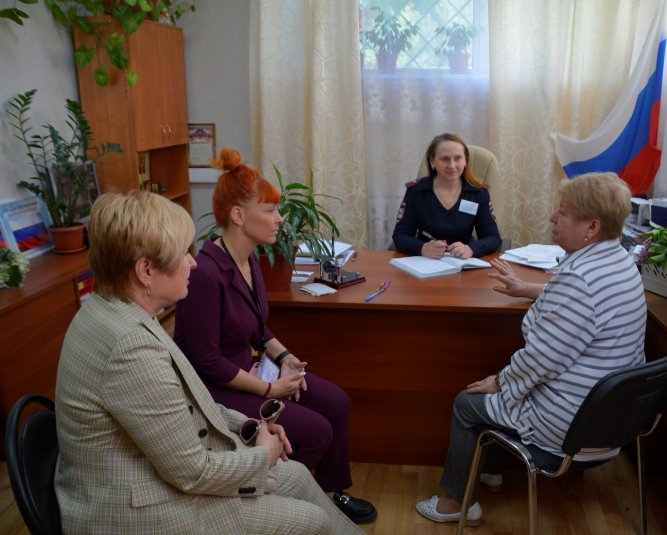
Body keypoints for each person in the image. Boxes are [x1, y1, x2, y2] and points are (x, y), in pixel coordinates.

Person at [54, 191, 362, 534]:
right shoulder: (129, 349)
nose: (194, 262)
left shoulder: (118, 310)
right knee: (313, 522)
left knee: (299, 475)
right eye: (183, 254)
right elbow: (192, 472)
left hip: (156, 475)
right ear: (145, 271)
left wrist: (252, 427)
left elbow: (189, 405)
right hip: (138, 511)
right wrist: (262, 455)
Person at [415, 172, 647, 526]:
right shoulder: (620, 262)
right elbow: (582, 306)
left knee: (468, 402)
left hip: (573, 425)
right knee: (498, 385)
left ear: (592, 227)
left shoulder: (579, 281)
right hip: (614, 420)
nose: (553, 217)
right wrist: (528, 289)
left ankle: (456, 504)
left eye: (564, 213)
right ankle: (490, 474)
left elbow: (542, 360)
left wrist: (502, 381)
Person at [173, 148, 377, 524]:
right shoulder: (205, 273)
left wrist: (285, 359)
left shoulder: (249, 258)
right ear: (238, 216)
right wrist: (269, 390)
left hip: (250, 371)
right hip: (217, 389)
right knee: (317, 432)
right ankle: (277, 502)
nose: (279, 218)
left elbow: (257, 327)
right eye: (269, 210)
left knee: (337, 402)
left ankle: (331, 494)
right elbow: (207, 361)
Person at [392, 133, 501, 259]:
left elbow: (493, 238)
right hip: (426, 262)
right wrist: (422, 248)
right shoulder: (416, 192)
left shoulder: (478, 193)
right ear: (433, 161)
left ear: (466, 161)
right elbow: (400, 236)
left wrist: (471, 249)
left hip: (463, 263)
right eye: (445, 159)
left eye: (458, 158)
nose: (452, 165)